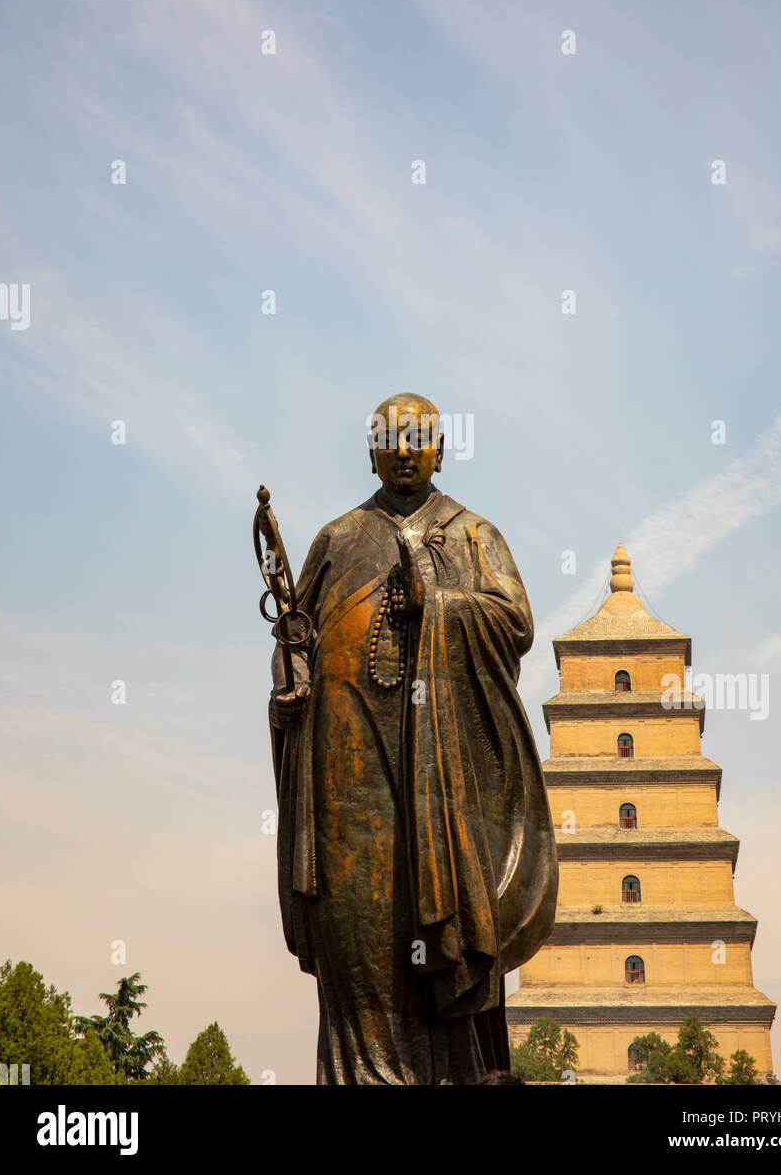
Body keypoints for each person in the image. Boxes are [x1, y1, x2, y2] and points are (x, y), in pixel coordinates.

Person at [267, 392, 557, 1084]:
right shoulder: (337, 540)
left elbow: (514, 623)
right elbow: (296, 640)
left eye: (418, 437)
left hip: (440, 776)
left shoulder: (470, 534)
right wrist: (290, 676)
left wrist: (440, 603)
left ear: (440, 448)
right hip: (348, 773)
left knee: (442, 925)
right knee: (356, 941)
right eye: (390, 438)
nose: (404, 449)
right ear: (371, 449)